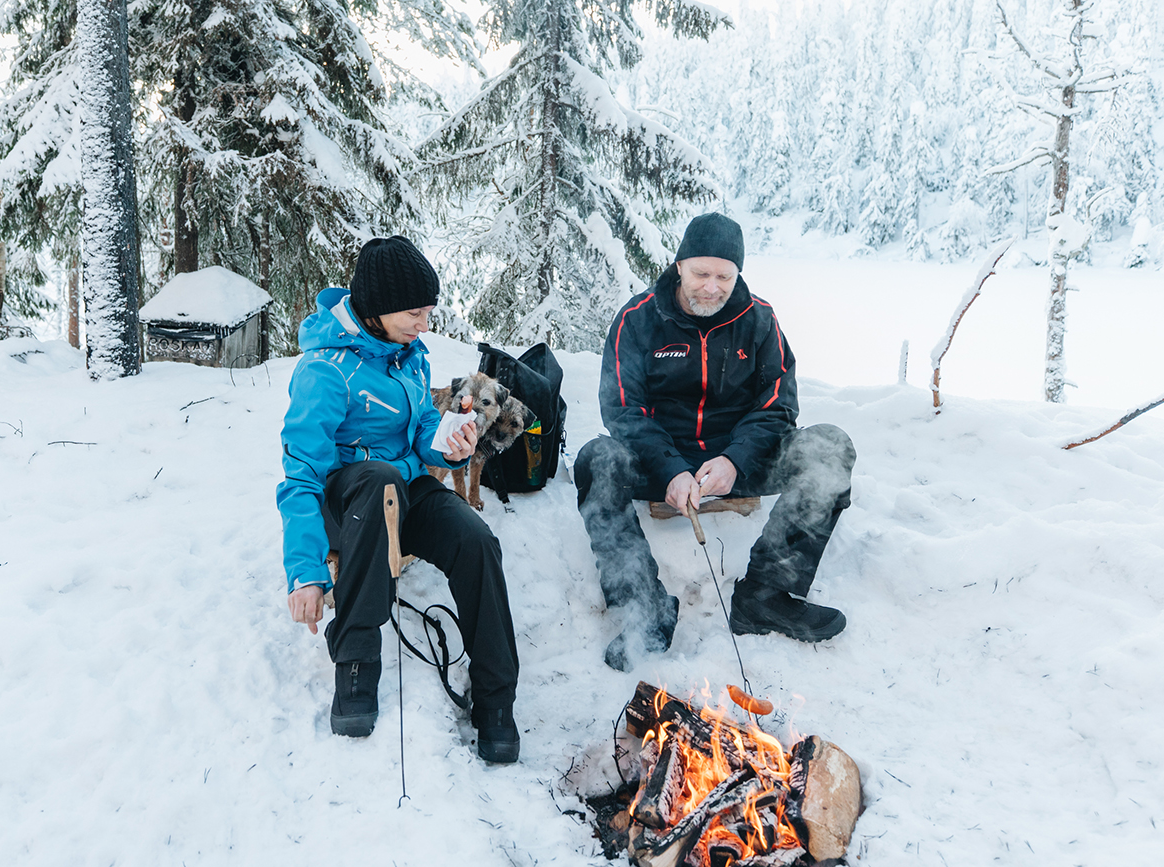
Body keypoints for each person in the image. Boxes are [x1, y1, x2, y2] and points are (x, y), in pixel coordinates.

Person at [276, 236, 522, 763]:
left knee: (477, 540)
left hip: (403, 489)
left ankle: (497, 699)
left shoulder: (409, 356)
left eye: (428, 312)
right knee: (380, 478)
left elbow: (423, 428)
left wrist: (450, 444)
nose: (424, 324)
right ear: (378, 305)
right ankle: (357, 662)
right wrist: (304, 572)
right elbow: (300, 476)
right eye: (415, 312)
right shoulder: (324, 370)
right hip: (349, 502)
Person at [574, 213, 857, 671]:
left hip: (736, 462)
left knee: (830, 447)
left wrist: (734, 461)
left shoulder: (760, 320)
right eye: (701, 273)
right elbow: (622, 409)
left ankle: (765, 594)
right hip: (660, 460)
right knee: (597, 459)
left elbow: (778, 406)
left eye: (724, 276)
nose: (712, 286)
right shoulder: (637, 318)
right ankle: (646, 605)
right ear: (680, 265)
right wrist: (669, 469)